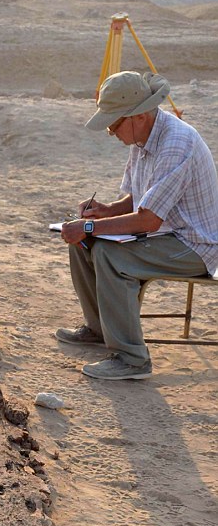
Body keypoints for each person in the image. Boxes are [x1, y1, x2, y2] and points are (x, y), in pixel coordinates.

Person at [57, 70, 218, 381]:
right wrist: (104, 211)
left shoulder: (176, 143)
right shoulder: (143, 136)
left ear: (140, 115)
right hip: (166, 234)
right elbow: (138, 198)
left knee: (109, 254)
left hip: (196, 245)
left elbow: (148, 219)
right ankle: (100, 329)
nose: (111, 132)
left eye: (114, 123)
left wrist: (89, 227)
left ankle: (132, 359)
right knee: (82, 243)